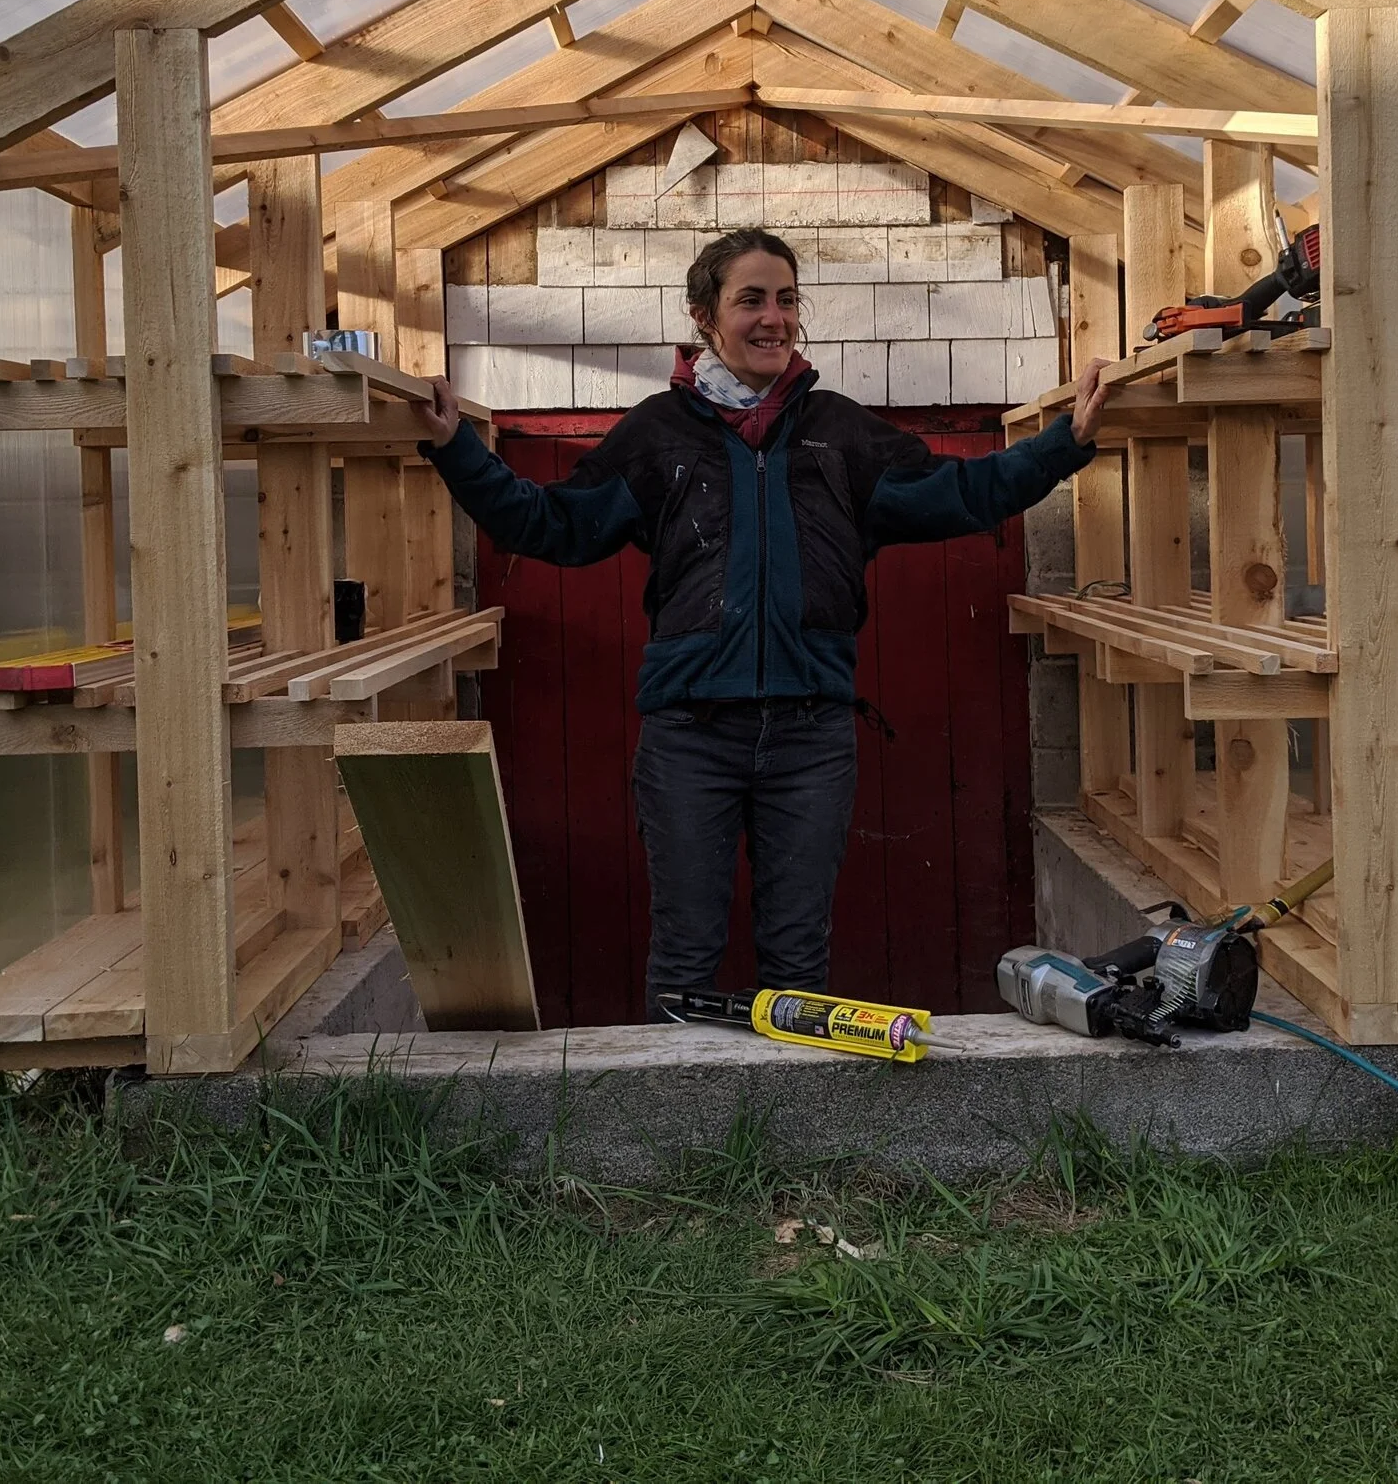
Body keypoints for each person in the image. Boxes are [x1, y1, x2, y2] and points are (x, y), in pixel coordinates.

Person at [413, 227, 1114, 1001]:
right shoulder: (657, 435)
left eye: (786, 299)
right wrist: (456, 449)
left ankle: (791, 1121)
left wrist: (1067, 442)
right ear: (704, 317)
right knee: (684, 954)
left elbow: (965, 493)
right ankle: (684, 1120)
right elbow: (549, 524)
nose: (773, 316)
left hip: (811, 739)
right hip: (689, 740)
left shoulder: (839, 434)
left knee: (795, 958)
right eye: (750, 299)